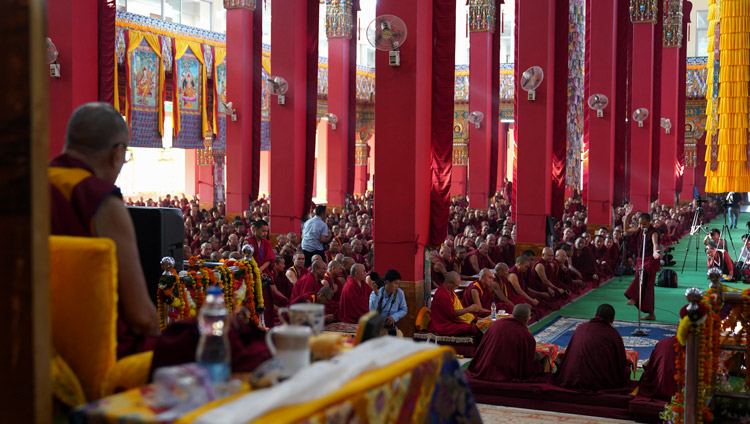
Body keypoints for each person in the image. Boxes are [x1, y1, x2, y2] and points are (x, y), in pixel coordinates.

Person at [49, 102, 159, 358]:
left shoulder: (31, 181)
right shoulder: (100, 199)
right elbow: (141, 317)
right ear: (117, 152)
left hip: (35, 336)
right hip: (93, 351)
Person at [554, 304, 632, 391]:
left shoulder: (581, 327)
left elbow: (569, 352)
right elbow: (621, 362)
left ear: (595, 315)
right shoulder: (614, 334)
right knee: (626, 370)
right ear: (613, 319)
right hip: (599, 383)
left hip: (571, 378)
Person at [466, 304, 544, 382]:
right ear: (527, 319)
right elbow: (528, 359)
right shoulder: (525, 335)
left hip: (486, 366)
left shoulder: (495, 324)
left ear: (512, 314)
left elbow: (482, 346)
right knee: (538, 366)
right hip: (506, 372)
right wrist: (539, 355)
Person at [622, 206, 661, 320]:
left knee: (642, 274)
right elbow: (626, 230)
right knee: (647, 287)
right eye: (640, 223)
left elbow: (655, 244)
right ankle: (651, 314)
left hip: (651, 260)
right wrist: (627, 216)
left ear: (649, 223)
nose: (641, 226)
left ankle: (633, 297)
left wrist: (655, 252)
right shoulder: (639, 230)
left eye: (644, 224)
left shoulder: (653, 232)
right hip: (641, 259)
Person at [426, 272, 480, 336]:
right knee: (468, 328)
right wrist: (469, 309)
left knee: (474, 318)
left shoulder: (450, 291)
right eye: (456, 285)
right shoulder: (442, 295)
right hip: (443, 324)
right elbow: (452, 314)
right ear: (449, 283)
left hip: (451, 319)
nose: (457, 287)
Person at [638, 336, 680, 401]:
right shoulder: (697, 348)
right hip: (683, 392)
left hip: (657, 387)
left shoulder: (663, 342)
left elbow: (650, 366)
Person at [369, 269, 408, 335]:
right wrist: (376, 294)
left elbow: (404, 309)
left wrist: (394, 317)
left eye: (398, 284)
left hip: (392, 327)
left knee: (399, 336)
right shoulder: (377, 293)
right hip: (378, 326)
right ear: (387, 282)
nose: (397, 286)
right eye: (395, 283)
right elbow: (372, 311)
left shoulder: (400, 293)